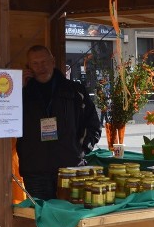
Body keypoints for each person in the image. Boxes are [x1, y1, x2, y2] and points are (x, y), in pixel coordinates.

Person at [17, 45, 102, 200]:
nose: (41, 67)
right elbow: (7, 120)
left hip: (70, 169)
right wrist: (19, 88)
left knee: (70, 217)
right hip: (35, 171)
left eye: (44, 62)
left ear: (53, 62)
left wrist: (80, 150)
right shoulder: (21, 94)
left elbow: (94, 125)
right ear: (28, 67)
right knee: (41, 220)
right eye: (35, 63)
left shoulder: (75, 90)